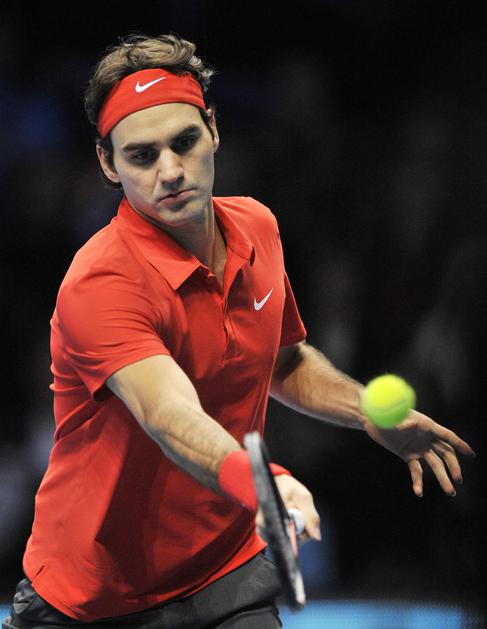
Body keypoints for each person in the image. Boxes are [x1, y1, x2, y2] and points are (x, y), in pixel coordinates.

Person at [3, 33, 475, 629]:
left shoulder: (258, 228)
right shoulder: (101, 281)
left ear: (214, 129)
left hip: (222, 572)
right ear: (107, 164)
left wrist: (367, 413)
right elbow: (167, 414)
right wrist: (263, 482)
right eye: (142, 156)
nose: (170, 171)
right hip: (93, 599)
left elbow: (282, 361)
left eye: (185, 141)